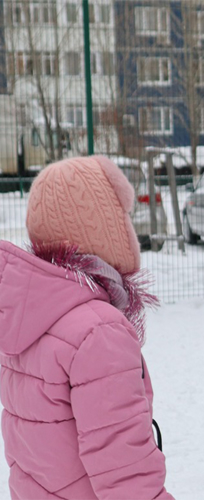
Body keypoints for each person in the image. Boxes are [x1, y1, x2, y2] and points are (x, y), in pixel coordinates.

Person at [0, 156, 173, 499]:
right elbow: (125, 469)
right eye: (122, 218)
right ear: (104, 228)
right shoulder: (99, 330)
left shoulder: (32, 316)